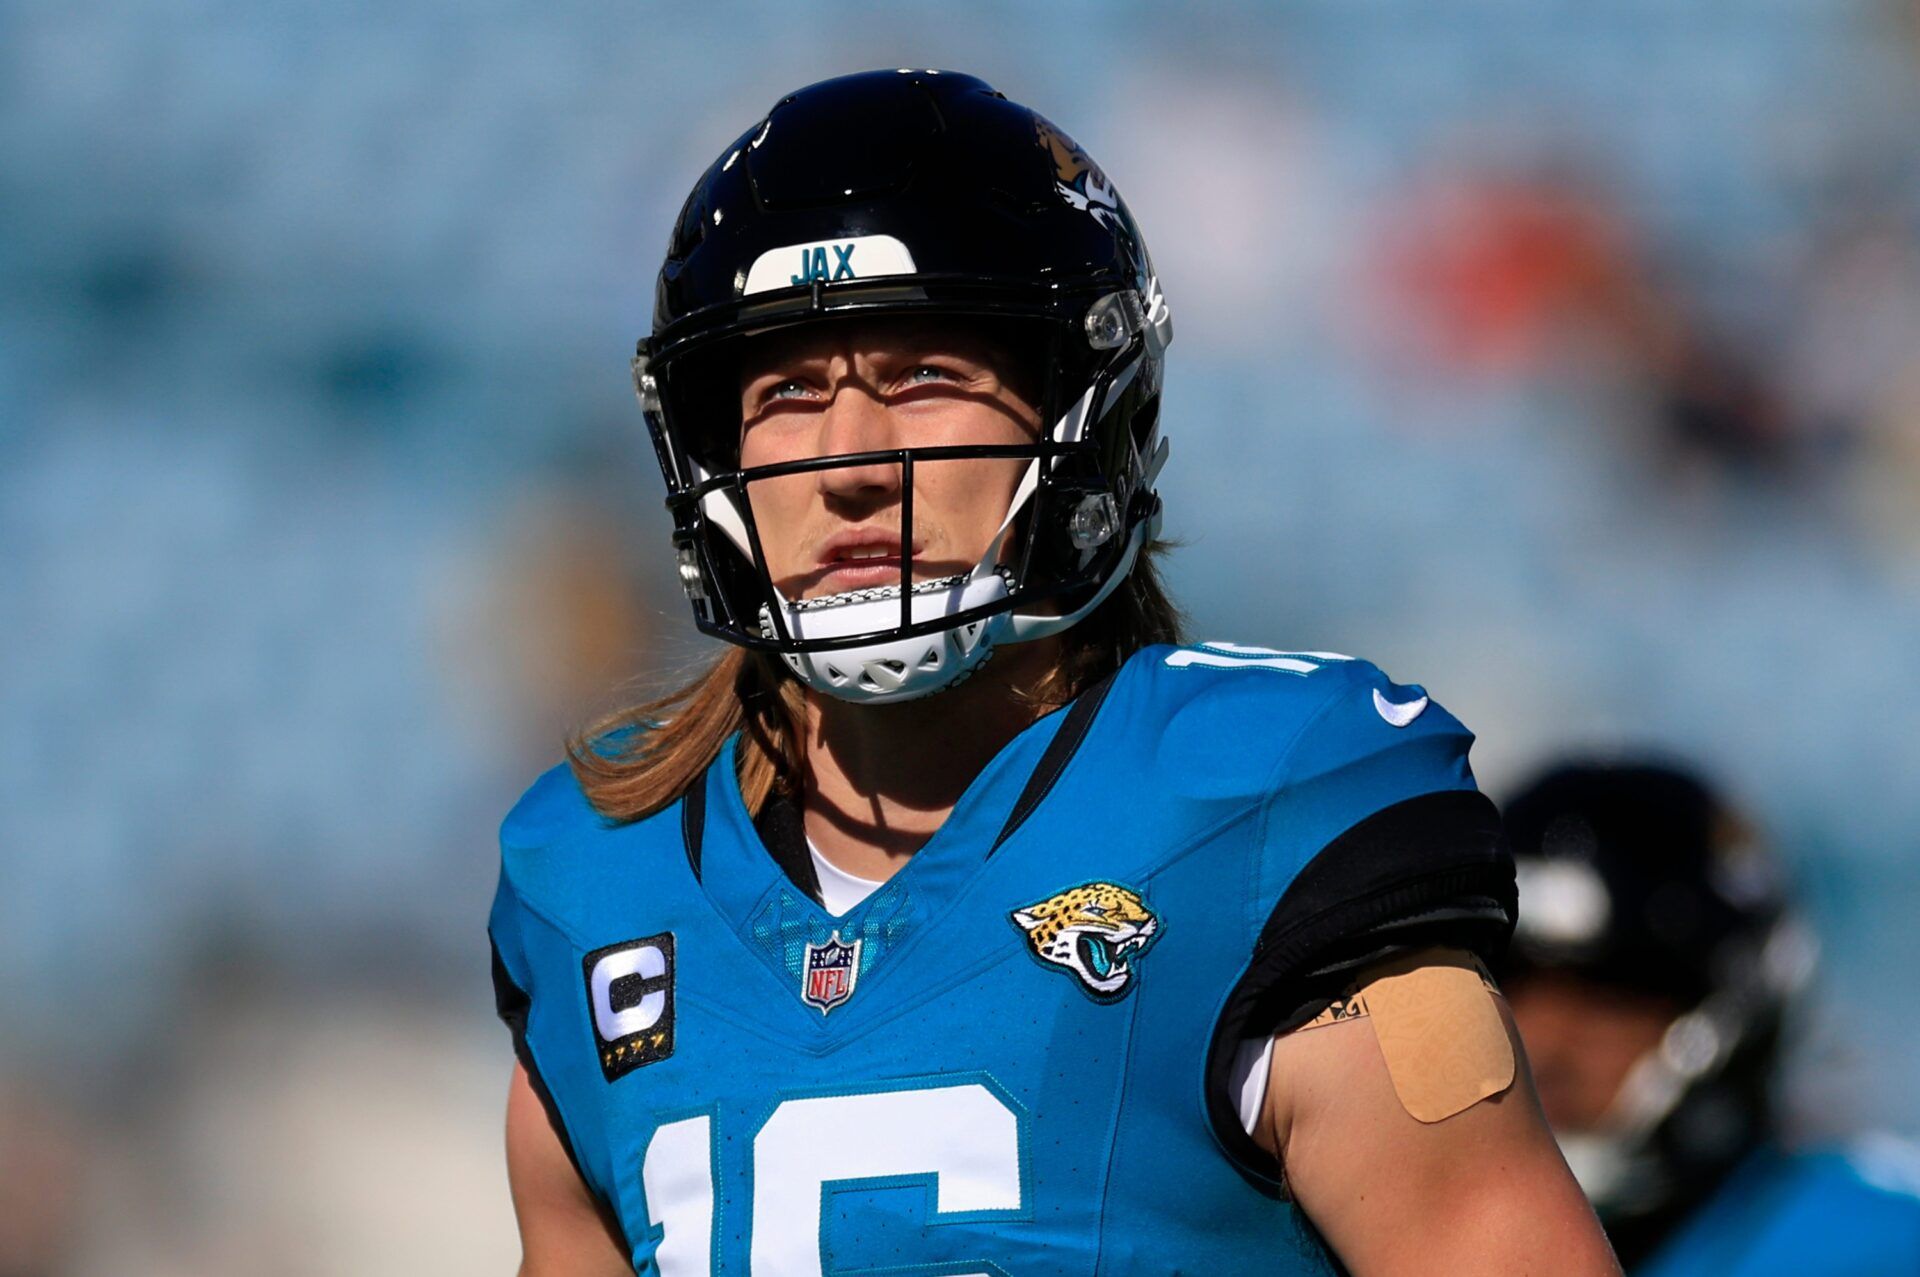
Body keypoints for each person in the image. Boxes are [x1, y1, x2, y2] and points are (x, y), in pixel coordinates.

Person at [487, 69, 1618, 1276]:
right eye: (789, 391)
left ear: (1081, 413)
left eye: (924, 377)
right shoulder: (597, 880)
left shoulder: (1262, 809)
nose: (850, 460)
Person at [1501, 760, 1920, 1275]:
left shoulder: (1885, 1246)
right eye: (1502, 983)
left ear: (1733, 1011)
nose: (1541, 1044)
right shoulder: (1396, 1241)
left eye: (1610, 994)